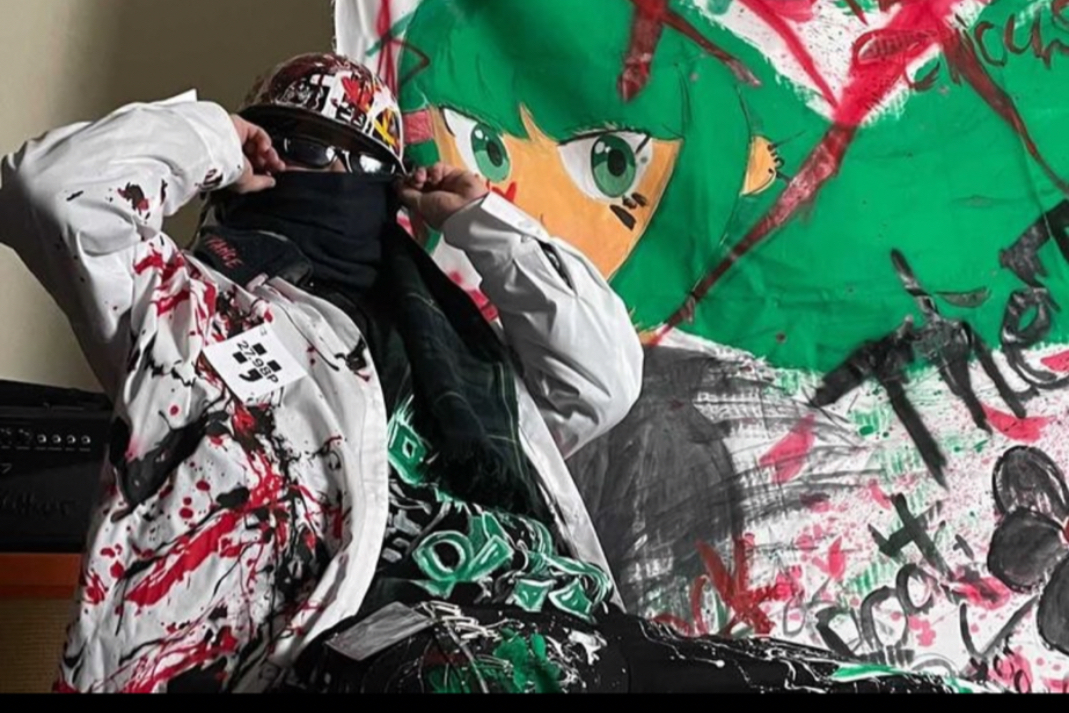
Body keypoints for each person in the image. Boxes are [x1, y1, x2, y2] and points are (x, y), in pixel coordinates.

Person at [0, 53, 959, 694]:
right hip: (366, 647)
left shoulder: (452, 344)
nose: (307, 169)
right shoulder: (184, 315)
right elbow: (50, 190)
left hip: (569, 622)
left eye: (341, 158)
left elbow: (604, 373)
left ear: (381, 186)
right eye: (283, 144)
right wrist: (213, 137)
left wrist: (478, 219)